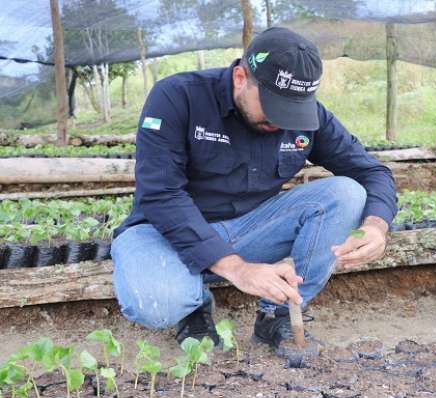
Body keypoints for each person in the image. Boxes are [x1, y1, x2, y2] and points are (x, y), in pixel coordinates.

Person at [111, 27, 397, 351]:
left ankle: (277, 316)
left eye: (293, 109)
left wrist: (376, 226)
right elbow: (161, 195)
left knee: (347, 193)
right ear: (239, 78)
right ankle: (192, 307)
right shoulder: (178, 96)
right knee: (157, 303)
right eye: (274, 106)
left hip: (248, 230)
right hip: (162, 234)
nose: (282, 121)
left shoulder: (308, 118)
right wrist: (237, 269)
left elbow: (372, 172)